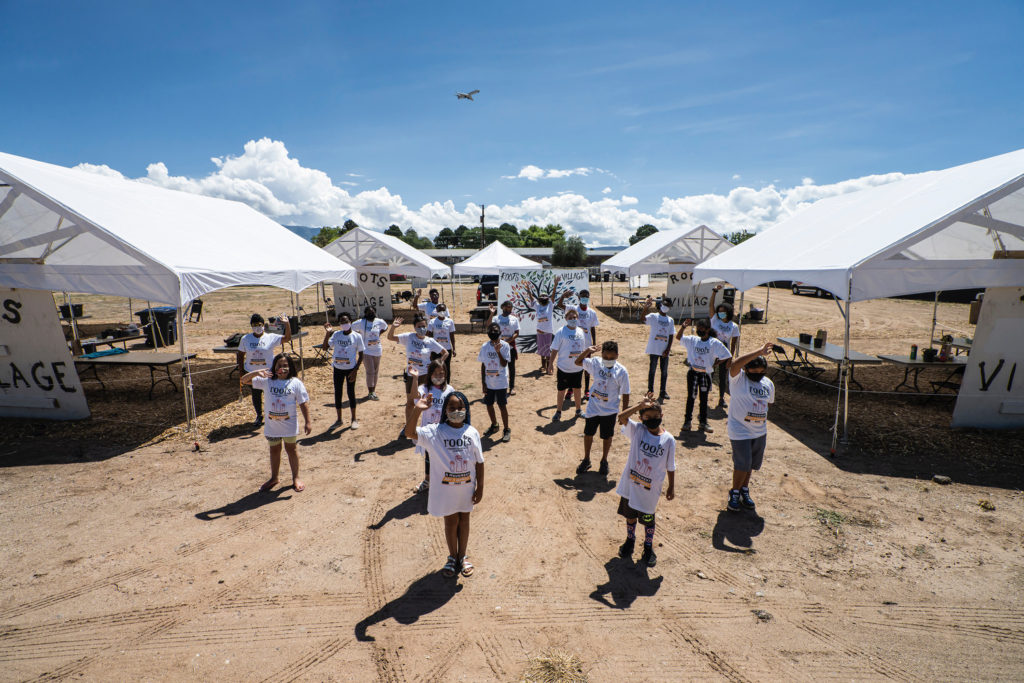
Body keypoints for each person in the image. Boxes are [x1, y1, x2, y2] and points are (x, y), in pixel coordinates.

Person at [406, 391, 484, 578]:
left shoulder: (472, 432)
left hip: (466, 489)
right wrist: (418, 410)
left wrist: (480, 487)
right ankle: (452, 556)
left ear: (466, 409)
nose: (456, 411)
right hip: (445, 491)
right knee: (451, 521)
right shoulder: (435, 432)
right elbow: (409, 433)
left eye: (460, 408)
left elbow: (479, 462)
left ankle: (462, 556)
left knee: (464, 520)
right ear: (445, 411)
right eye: (452, 408)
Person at [615, 393, 675, 567]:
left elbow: (671, 466)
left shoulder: (668, 440)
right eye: (647, 417)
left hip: (650, 490)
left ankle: (648, 546)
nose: (652, 420)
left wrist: (671, 487)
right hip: (630, 485)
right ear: (641, 418)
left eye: (656, 417)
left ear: (661, 416)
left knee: (648, 519)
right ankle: (630, 540)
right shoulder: (638, 430)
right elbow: (621, 417)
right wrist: (639, 406)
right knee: (630, 515)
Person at [241, 353, 311, 492]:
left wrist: (308, 421)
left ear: (290, 367)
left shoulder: (296, 383)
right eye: (279, 365)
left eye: (285, 365)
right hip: (272, 426)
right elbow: (243, 380)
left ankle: (296, 477)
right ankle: (274, 477)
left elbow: (303, 403)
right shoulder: (267, 381)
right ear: (274, 367)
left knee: (291, 449)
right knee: (274, 450)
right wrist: (257, 372)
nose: (282, 368)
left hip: (288, 425)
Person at [726, 343, 775, 513]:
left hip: (760, 431)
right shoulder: (738, 379)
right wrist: (759, 352)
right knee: (742, 463)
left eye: (761, 372)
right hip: (740, 429)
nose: (758, 374)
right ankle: (734, 492)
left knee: (751, 464)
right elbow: (734, 365)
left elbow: (768, 403)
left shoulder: (768, 383)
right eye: (754, 372)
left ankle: (744, 490)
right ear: (746, 370)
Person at [388, 314, 448, 440]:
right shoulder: (408, 337)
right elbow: (390, 337)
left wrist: (436, 366)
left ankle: (430, 427)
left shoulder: (430, 341)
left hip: (426, 376)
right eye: (419, 326)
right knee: (410, 403)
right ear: (414, 327)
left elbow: (445, 353)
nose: (422, 329)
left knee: (428, 402)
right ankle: (409, 427)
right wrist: (393, 327)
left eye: (424, 326)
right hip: (411, 376)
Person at [574, 341, 630, 476]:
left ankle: (604, 460)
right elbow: (577, 362)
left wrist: (624, 414)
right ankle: (586, 459)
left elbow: (626, 392)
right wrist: (587, 350)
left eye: (612, 358)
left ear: (617, 355)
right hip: (593, 407)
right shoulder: (596, 363)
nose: (608, 360)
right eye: (606, 357)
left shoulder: (622, 371)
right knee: (588, 434)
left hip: (610, 410)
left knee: (607, 436)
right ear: (601, 354)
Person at [675, 318, 732, 433]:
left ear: (707, 329)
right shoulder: (693, 340)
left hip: (705, 375)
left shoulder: (714, 342)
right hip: (693, 372)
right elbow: (678, 337)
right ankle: (687, 422)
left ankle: (703, 422)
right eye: (698, 329)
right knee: (691, 397)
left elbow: (727, 355)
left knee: (704, 399)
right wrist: (683, 327)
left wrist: (715, 363)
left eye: (701, 329)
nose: (699, 331)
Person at [237, 313, 291, 425]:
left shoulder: (270, 337)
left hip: (268, 372)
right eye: (254, 325)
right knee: (256, 394)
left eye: (259, 324)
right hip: (252, 372)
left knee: (270, 394)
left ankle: (272, 414)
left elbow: (287, 338)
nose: (257, 327)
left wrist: (287, 324)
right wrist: (241, 371)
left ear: (263, 325)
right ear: (251, 326)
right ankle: (259, 415)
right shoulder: (245, 339)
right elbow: (240, 354)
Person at [409, 361, 455, 494]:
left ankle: (445, 481)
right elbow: (414, 397)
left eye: (442, 373)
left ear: (446, 374)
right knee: (429, 456)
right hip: (429, 432)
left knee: (445, 456)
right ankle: (428, 480)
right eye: (435, 373)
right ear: (430, 374)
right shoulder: (425, 389)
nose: (439, 376)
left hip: (445, 431)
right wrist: (415, 378)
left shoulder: (450, 390)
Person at [321, 312, 365, 428]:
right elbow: (325, 348)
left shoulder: (357, 336)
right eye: (341, 322)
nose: (344, 324)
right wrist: (327, 333)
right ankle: (339, 419)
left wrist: (355, 370)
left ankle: (354, 419)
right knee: (338, 392)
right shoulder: (336, 335)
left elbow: (361, 355)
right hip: (338, 368)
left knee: (351, 393)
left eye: (346, 322)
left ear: (350, 322)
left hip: (350, 369)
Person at [558, 289, 599, 399]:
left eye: (586, 296)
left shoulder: (592, 312)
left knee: (587, 368)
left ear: (589, 297)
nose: (584, 298)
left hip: (587, 345)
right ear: (579, 297)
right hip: (574, 344)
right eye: (582, 296)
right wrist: (563, 296)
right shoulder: (573, 309)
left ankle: (586, 390)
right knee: (574, 366)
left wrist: (594, 343)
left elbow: (593, 328)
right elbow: (559, 305)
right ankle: (570, 390)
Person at [549, 307, 586, 421]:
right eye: (570, 318)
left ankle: (578, 410)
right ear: (565, 318)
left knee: (577, 389)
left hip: (577, 369)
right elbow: (554, 349)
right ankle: (558, 412)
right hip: (563, 368)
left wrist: (584, 363)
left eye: (574, 317)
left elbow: (583, 350)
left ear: (577, 318)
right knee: (561, 390)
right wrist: (550, 364)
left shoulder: (580, 331)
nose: (572, 319)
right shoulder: (561, 332)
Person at [478, 322, 512, 442]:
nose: (493, 332)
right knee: (489, 404)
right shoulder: (485, 346)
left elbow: (504, 364)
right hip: (489, 382)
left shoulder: (505, 346)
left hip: (501, 382)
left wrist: (498, 352)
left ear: (500, 332)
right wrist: (483, 382)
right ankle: (494, 425)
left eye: (495, 330)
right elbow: (483, 365)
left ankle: (506, 429)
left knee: (502, 405)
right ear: (488, 333)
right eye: (491, 331)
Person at [709, 285, 741, 408]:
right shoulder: (715, 320)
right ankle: (705, 394)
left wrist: (730, 358)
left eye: (723, 312)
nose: (721, 313)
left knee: (723, 377)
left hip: (724, 352)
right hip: (712, 350)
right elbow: (711, 306)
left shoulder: (733, 326)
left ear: (728, 312)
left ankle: (721, 398)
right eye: (719, 312)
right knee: (710, 373)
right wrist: (714, 292)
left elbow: (734, 343)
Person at [641, 296, 675, 402]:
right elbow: (643, 319)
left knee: (664, 372)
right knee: (652, 370)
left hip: (664, 350)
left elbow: (671, 335)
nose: (665, 307)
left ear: (670, 308)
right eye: (664, 305)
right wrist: (645, 308)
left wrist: (668, 349)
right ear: (660, 305)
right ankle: (650, 390)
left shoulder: (670, 320)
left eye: (668, 306)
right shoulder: (654, 316)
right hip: (654, 349)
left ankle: (663, 391)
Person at [352, 305, 388, 401]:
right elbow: (351, 328)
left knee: (375, 371)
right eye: (368, 312)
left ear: (375, 312)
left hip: (377, 350)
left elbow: (386, 327)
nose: (371, 314)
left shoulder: (379, 321)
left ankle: (373, 390)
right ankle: (370, 392)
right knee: (370, 371)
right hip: (366, 350)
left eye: (372, 312)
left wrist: (379, 334)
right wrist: (359, 336)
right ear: (365, 313)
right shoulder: (361, 322)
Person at [486, 300, 520, 394]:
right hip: (497, 347)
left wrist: (508, 341)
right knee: (498, 366)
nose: (508, 309)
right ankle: (496, 387)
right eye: (506, 307)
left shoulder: (514, 319)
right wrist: (491, 314)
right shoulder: (496, 318)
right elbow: (488, 326)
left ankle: (512, 387)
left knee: (511, 367)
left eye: (510, 307)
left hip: (510, 347)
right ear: (502, 307)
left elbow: (517, 333)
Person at [427, 302, 457, 384]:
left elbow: (452, 336)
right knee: (435, 367)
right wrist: (429, 350)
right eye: (440, 310)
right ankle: (434, 383)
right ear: (436, 311)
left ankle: (446, 384)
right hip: (436, 350)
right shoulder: (432, 322)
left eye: (444, 310)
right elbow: (428, 336)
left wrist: (454, 348)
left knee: (446, 367)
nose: (442, 312)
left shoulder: (450, 322)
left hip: (447, 349)